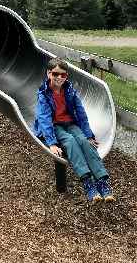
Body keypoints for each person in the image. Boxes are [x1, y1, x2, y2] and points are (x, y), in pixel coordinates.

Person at [34, 58, 114, 203]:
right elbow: (44, 119)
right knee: (70, 141)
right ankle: (87, 182)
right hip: (54, 126)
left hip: (70, 123)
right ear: (48, 74)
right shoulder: (43, 94)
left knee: (85, 141)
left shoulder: (70, 91)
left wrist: (88, 134)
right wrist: (51, 142)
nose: (59, 77)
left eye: (62, 75)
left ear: (66, 77)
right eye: (55, 74)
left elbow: (81, 114)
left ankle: (102, 181)